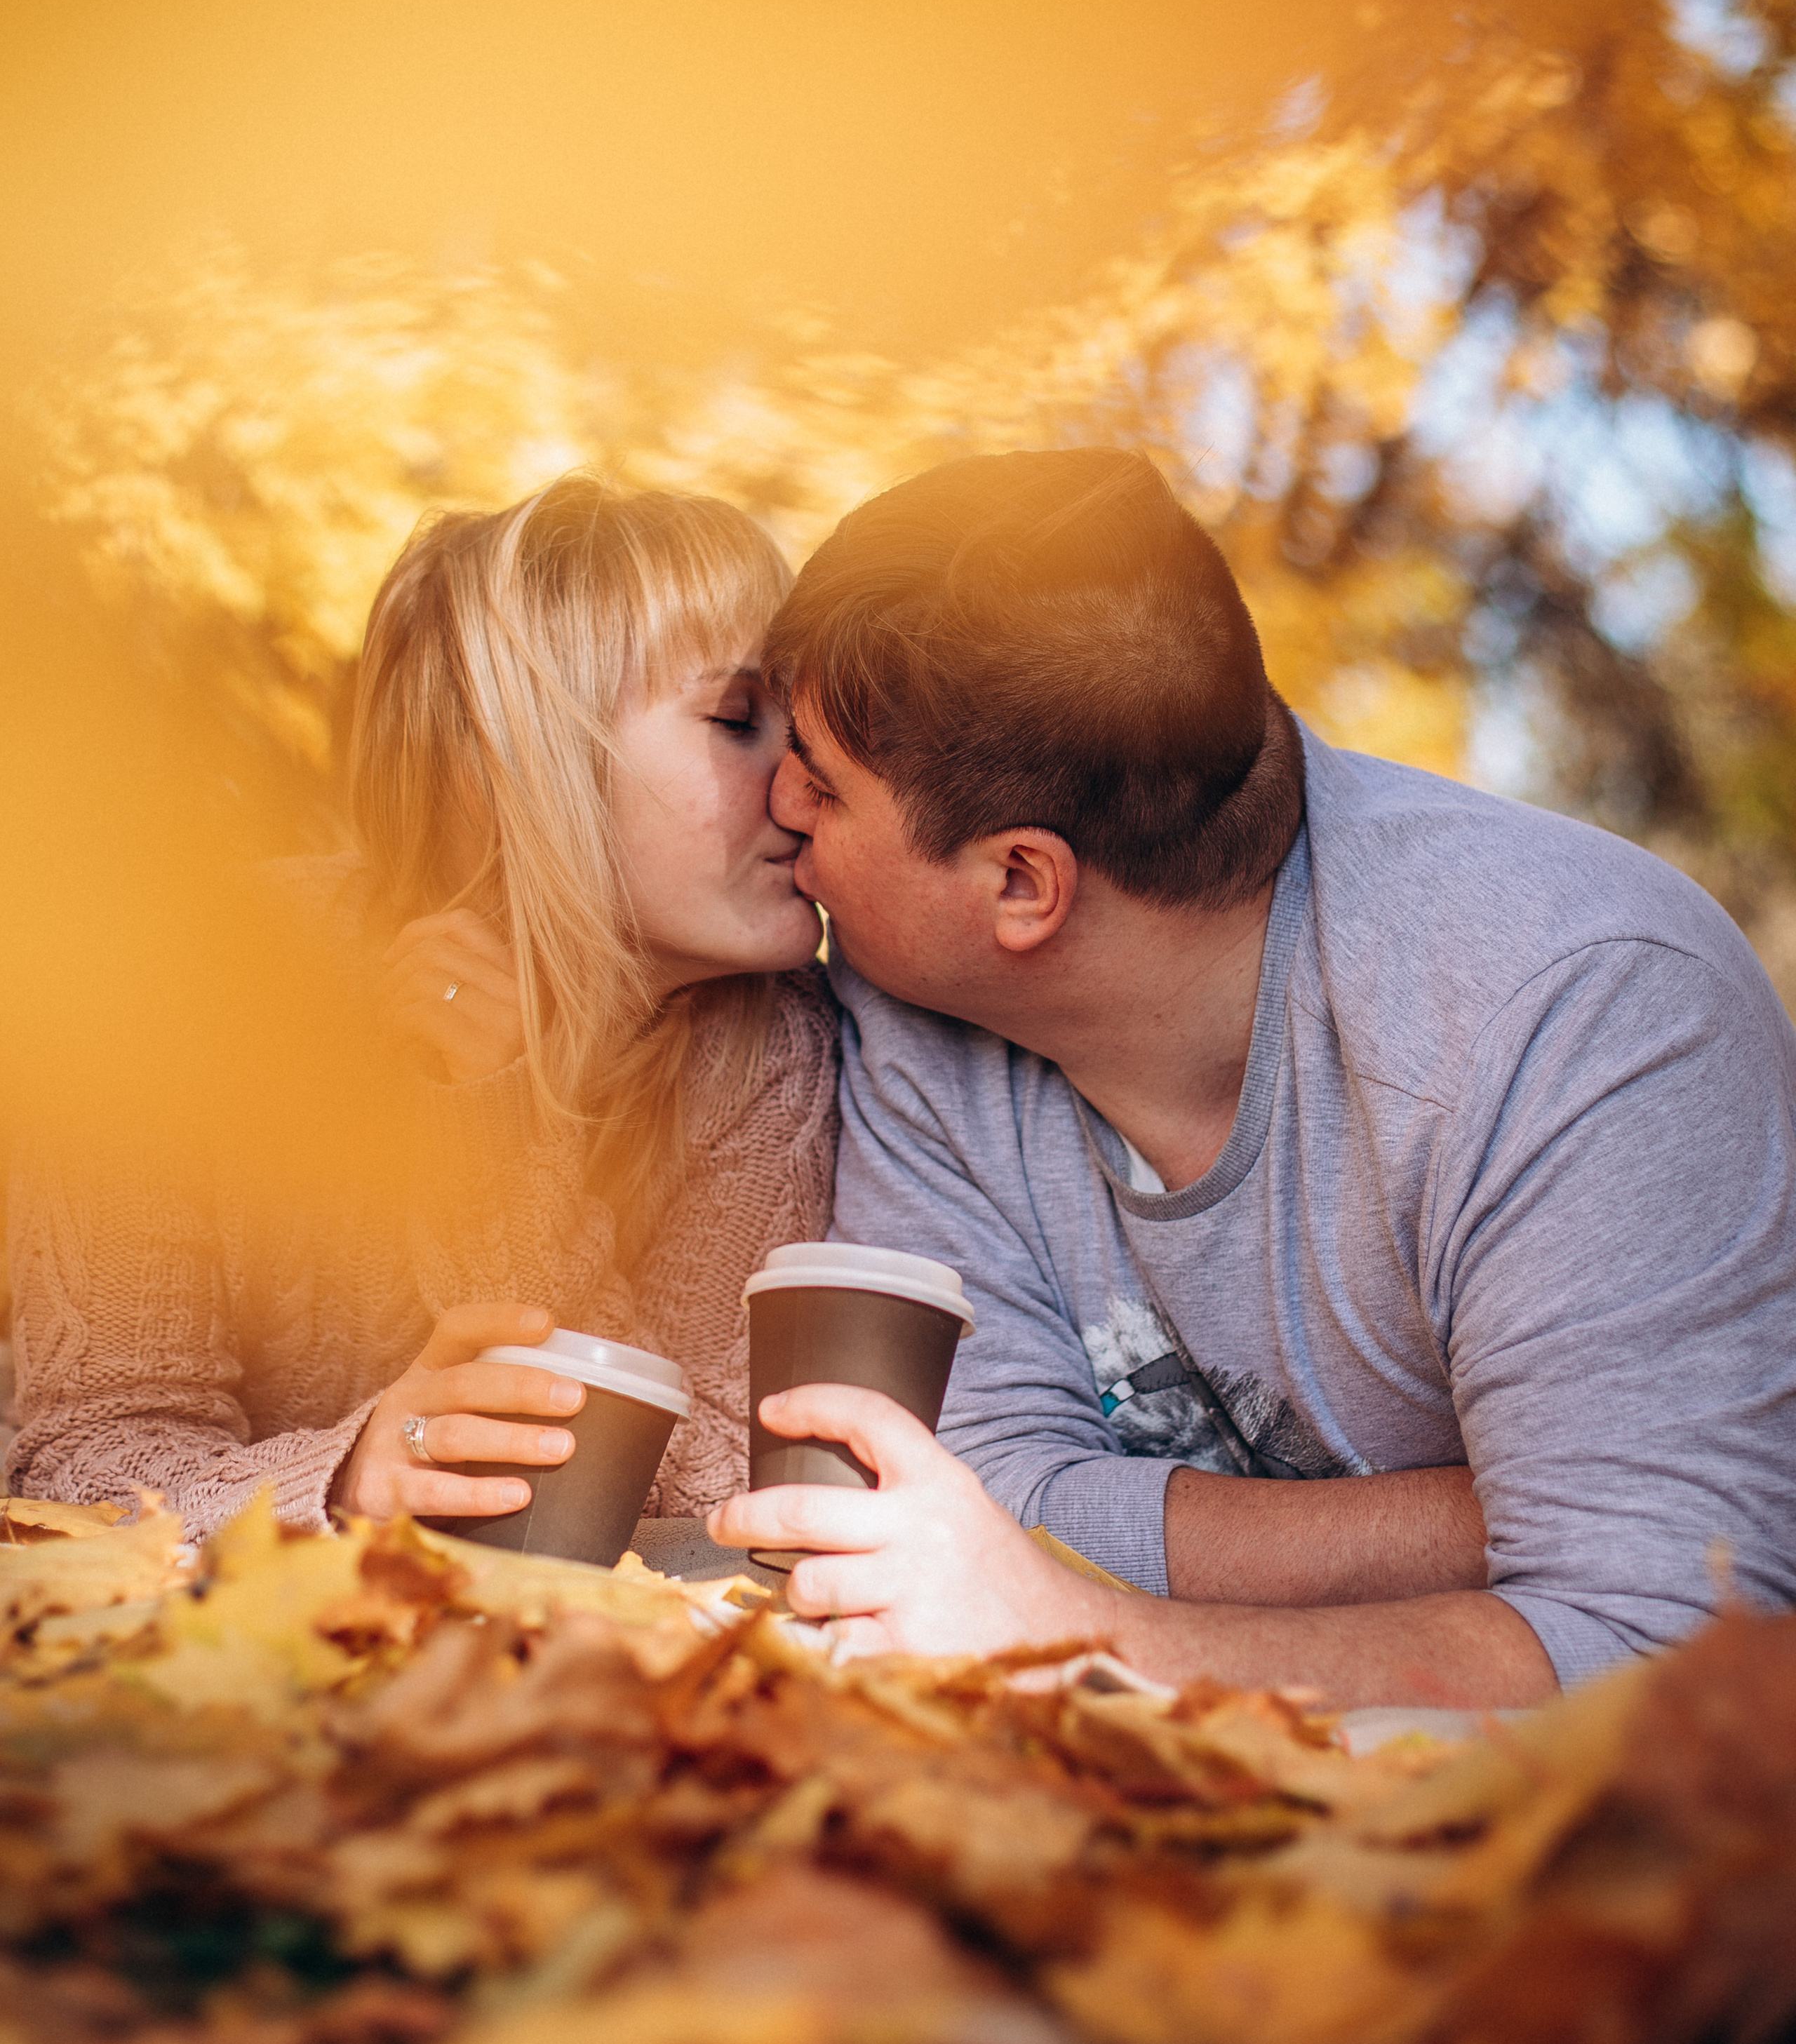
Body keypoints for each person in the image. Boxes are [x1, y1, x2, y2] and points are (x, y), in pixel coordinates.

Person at [709, 447, 1796, 1707]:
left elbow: (1667, 1657)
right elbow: (978, 1492)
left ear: (1020, 882)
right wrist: (1481, 1518)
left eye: (825, 781)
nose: (778, 801)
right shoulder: (916, 1001)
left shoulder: (1577, 1015)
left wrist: (1081, 1628)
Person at [7, 477, 837, 1536]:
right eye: (738, 720)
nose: (804, 787)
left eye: (805, 731)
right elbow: (81, 1457)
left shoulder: (776, 1048)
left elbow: (726, 1487)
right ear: (521, 758)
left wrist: (498, 1150)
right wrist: (350, 1476)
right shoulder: (195, 985)